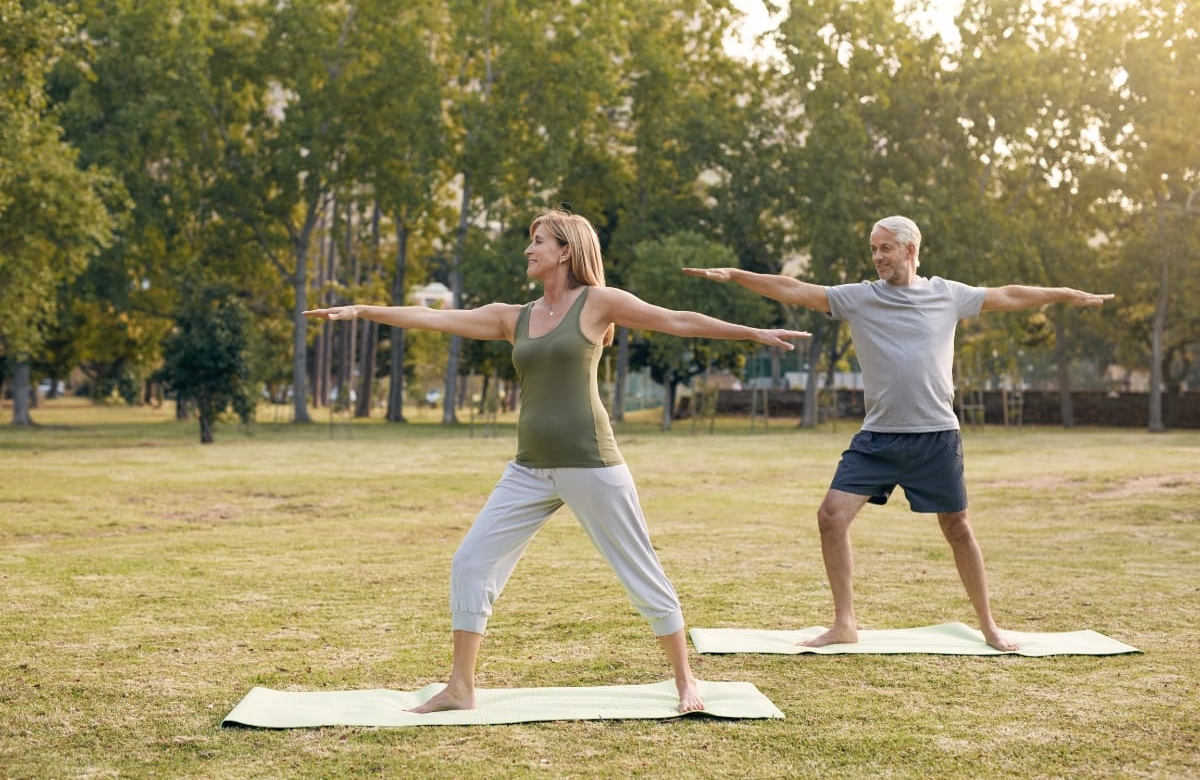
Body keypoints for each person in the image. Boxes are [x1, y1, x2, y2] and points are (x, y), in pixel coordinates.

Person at [304, 209, 810, 713]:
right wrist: (365, 310)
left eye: (538, 241)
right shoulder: (514, 316)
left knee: (640, 571)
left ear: (565, 250)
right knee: (471, 562)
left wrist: (750, 332)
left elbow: (674, 320)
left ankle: (685, 681)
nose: (529, 249)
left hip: (590, 462)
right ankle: (460, 687)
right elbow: (439, 318)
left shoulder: (596, 303)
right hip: (529, 467)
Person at [684, 215, 1113, 652]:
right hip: (879, 437)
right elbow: (793, 288)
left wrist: (1063, 294)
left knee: (958, 528)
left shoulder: (948, 294)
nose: (876, 258)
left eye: (884, 248)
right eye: (873, 249)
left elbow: (1009, 294)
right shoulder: (859, 298)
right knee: (830, 517)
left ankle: (989, 627)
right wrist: (736, 275)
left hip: (936, 435)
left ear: (910, 249)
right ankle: (844, 623)